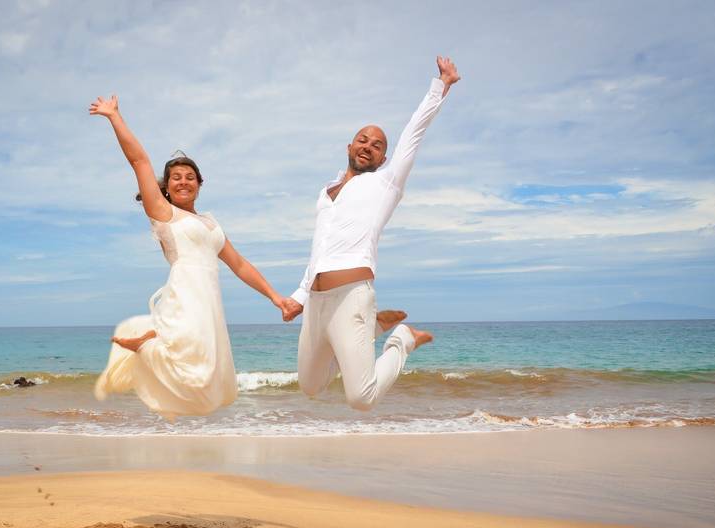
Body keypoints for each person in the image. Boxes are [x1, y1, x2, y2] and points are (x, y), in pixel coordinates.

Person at [89, 95, 299, 419]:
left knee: (209, 385)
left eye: (190, 177)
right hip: (185, 290)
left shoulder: (211, 223)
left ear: (199, 185)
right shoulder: (163, 212)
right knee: (193, 371)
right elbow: (140, 162)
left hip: (209, 299)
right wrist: (114, 116)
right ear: (168, 188)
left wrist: (276, 297)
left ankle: (148, 340)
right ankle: (146, 345)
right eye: (176, 178)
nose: (183, 181)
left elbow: (240, 264)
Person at [283, 56, 461, 411]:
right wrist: (299, 297)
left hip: (352, 295)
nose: (368, 145)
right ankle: (374, 329)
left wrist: (440, 86)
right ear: (349, 147)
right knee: (310, 386)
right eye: (362, 140)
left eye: (377, 144)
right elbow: (319, 249)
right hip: (316, 303)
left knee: (360, 397)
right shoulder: (327, 191)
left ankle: (403, 340)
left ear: (382, 157)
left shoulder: (386, 183)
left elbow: (414, 131)